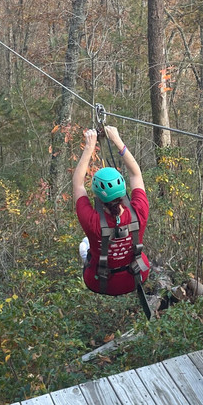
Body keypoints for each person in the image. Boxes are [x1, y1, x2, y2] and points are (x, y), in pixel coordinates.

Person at [72, 126, 151, 298]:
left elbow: (78, 185)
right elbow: (136, 174)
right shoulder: (139, 211)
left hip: (99, 280)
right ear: (123, 189)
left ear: (97, 196)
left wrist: (89, 148)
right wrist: (117, 140)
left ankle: (87, 251)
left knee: (85, 244)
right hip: (136, 276)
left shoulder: (92, 221)